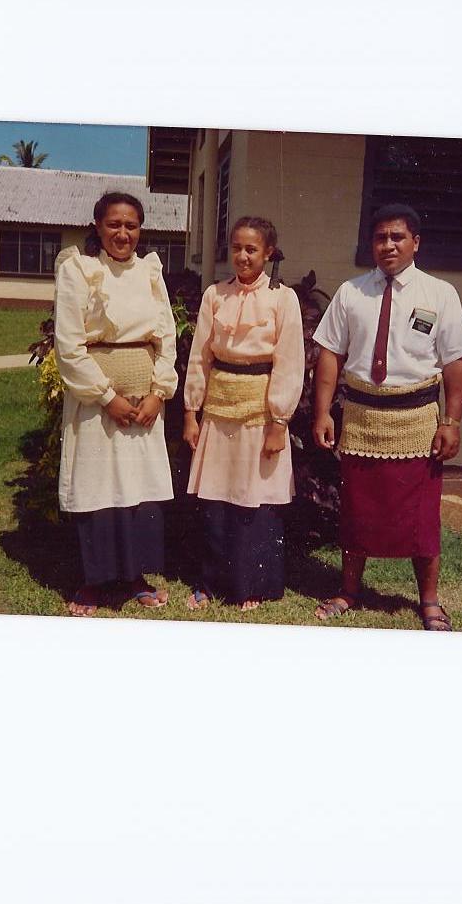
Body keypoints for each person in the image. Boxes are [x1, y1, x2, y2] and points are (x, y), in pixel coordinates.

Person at [312, 203, 462, 630]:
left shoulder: (439, 294)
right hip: (362, 419)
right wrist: (323, 413)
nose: (387, 245)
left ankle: (429, 601)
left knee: (421, 517)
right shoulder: (352, 293)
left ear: (415, 242)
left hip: (417, 420)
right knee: (357, 510)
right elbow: (329, 352)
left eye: (397, 237)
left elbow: (456, 360)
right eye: (380, 237)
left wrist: (452, 422)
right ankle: (349, 590)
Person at [53, 191, 178, 616]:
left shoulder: (150, 272)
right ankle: (94, 580)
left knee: (138, 489)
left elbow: (167, 337)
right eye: (114, 225)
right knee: (97, 487)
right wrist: (107, 397)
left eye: (131, 225)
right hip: (97, 403)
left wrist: (159, 393)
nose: (123, 234)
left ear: (140, 230)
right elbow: (69, 346)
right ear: (98, 226)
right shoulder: (79, 270)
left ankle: (135, 577)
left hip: (144, 404)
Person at [183, 216, 305, 611]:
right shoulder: (215, 295)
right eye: (236, 247)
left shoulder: (282, 298)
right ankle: (208, 581)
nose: (242, 256)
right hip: (218, 412)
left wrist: (279, 422)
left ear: (268, 252)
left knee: (254, 498)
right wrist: (191, 411)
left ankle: (250, 583)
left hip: (261, 415)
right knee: (216, 496)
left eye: (252, 249)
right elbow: (200, 356)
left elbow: (289, 362)